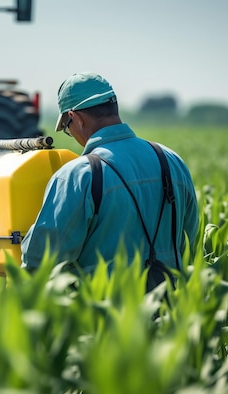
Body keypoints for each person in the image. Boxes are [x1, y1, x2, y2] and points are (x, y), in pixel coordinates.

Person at [20, 72, 199, 280]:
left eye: (67, 128)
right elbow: (189, 242)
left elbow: (41, 261)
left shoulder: (77, 175)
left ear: (74, 118)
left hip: (103, 309)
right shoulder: (171, 160)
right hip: (174, 307)